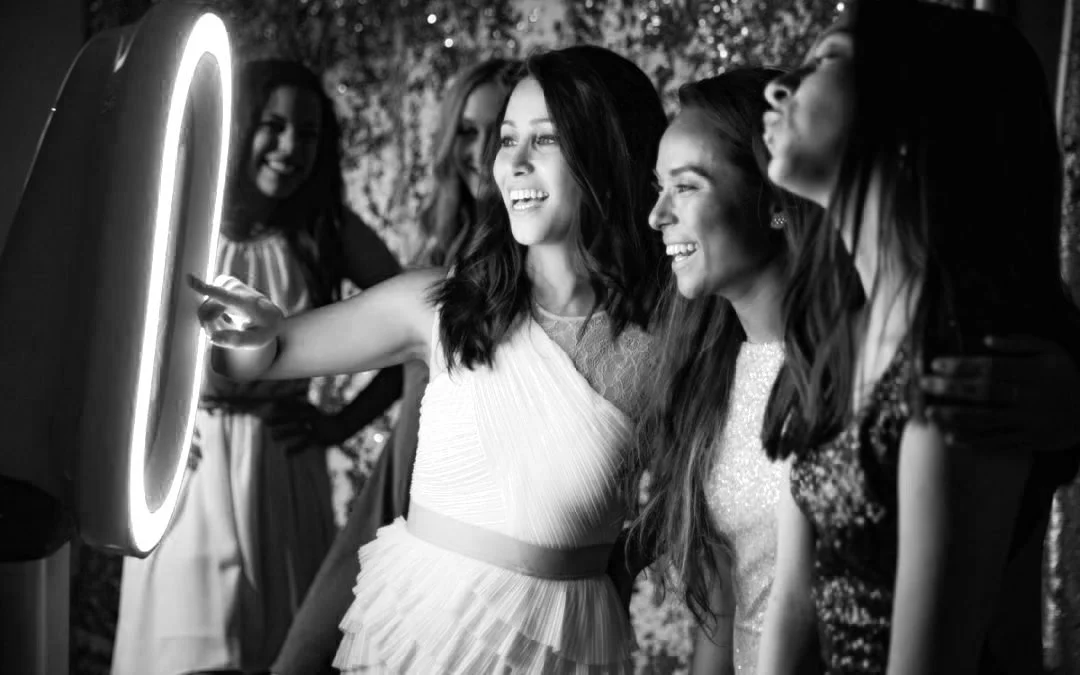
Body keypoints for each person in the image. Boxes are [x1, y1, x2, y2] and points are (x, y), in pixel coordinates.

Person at [191, 45, 669, 673]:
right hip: (421, 633)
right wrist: (247, 331)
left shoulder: (664, 338)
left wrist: (603, 563)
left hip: (568, 644)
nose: (512, 163)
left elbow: (697, 498)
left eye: (545, 140)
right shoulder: (437, 304)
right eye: (507, 139)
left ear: (608, 156)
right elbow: (267, 354)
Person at [757, 1, 1080, 673]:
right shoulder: (834, 338)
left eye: (828, 59)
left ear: (912, 114)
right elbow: (794, 601)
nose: (778, 85)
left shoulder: (962, 366)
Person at [111, 59, 403, 675]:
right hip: (185, 467)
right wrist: (142, 429)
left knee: (281, 651)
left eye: (309, 133)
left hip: (283, 467)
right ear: (241, 127)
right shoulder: (182, 219)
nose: (290, 146)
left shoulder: (330, 232)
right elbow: (112, 334)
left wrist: (337, 425)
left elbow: (422, 337)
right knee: (182, 651)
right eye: (273, 125)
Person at [267, 57, 522, 675]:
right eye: (466, 131)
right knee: (305, 656)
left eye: (501, 133)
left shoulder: (527, 261)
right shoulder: (442, 247)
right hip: (394, 483)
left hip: (457, 513)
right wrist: (337, 425)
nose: (480, 149)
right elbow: (397, 365)